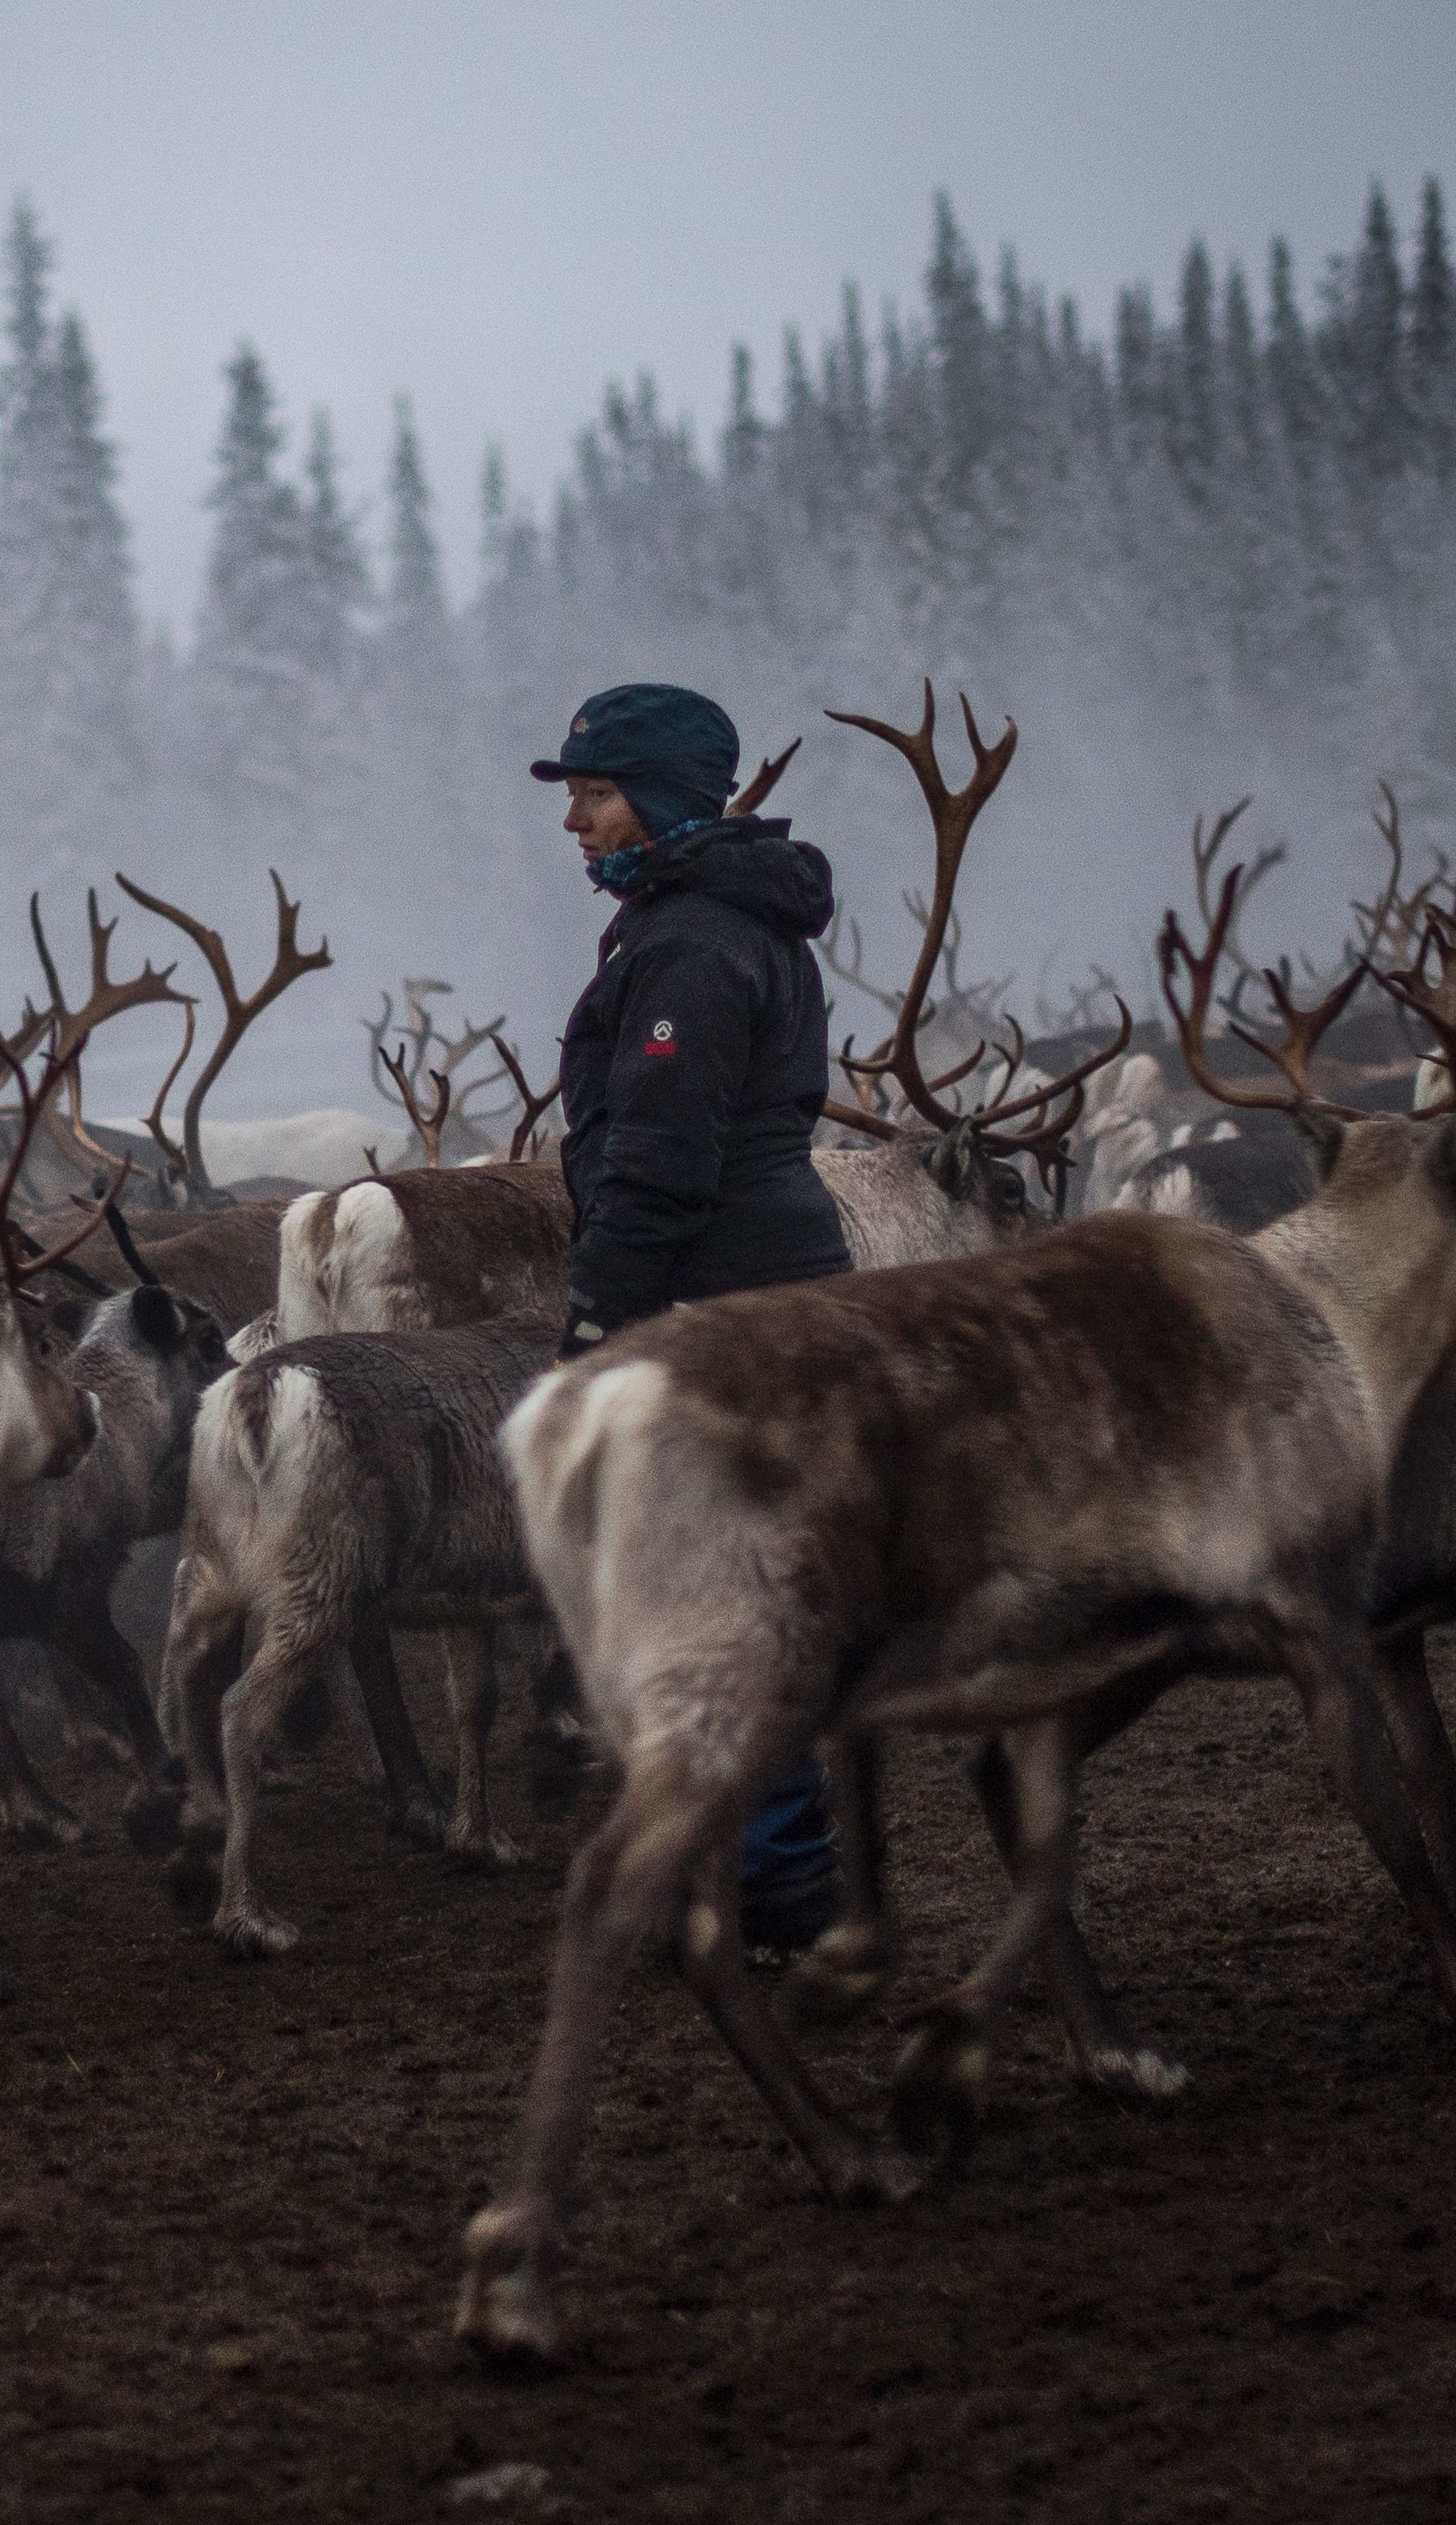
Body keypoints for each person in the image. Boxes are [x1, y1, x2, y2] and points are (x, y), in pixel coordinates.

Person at [533, 681, 850, 1960]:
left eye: (593, 794)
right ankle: (766, 1873)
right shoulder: (703, 923)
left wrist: (598, 1321)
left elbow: (660, 1158)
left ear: (657, 803)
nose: (572, 821)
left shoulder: (692, 945)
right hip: (763, 1287)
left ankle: (778, 1888)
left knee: (726, 1592)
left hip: (726, 1310)